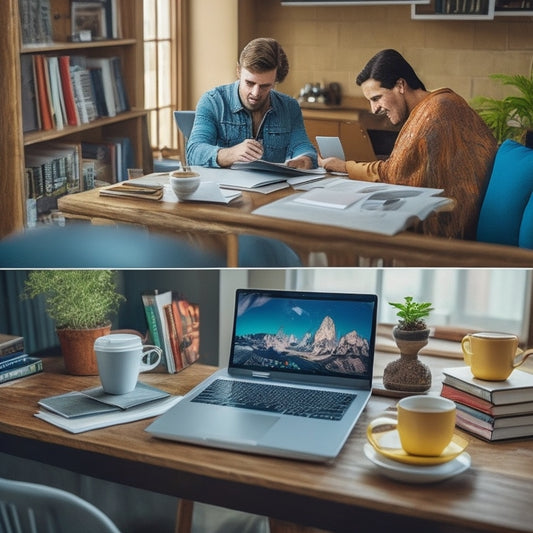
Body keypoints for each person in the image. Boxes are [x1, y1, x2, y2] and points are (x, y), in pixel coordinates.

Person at [319, 49, 498, 240]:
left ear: (400, 85)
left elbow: (394, 174)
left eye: (377, 98)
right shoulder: (440, 102)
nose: (374, 109)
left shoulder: (433, 113)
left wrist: (344, 167)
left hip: (456, 237)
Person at [187, 37, 317, 169]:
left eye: (265, 86)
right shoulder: (212, 102)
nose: (255, 93)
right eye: (250, 83)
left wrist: (304, 159)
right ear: (238, 71)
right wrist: (231, 154)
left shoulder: (290, 107)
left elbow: (303, 146)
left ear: (275, 81)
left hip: (276, 188)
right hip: (225, 189)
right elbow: (194, 152)